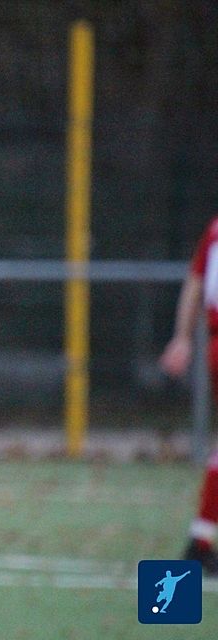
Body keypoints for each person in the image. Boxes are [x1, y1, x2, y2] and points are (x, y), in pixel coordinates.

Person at [160, 215, 218, 575]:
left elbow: (195, 284)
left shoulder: (214, 229)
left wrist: (182, 336)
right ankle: (198, 543)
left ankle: (200, 539)